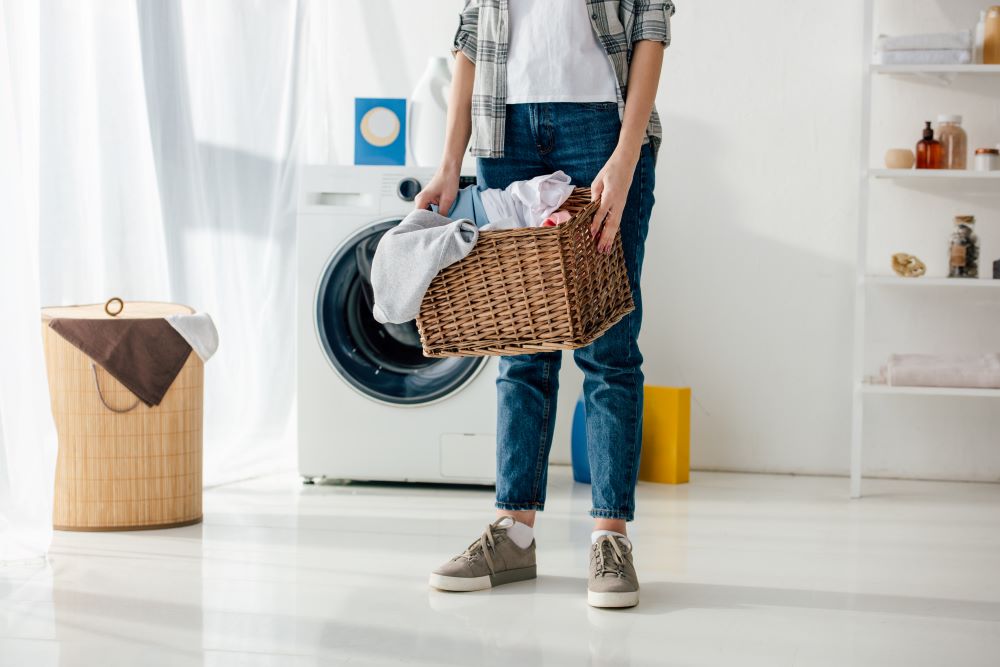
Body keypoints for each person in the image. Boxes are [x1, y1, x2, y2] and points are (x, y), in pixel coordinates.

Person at [416, 0, 674, 609]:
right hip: (505, 135)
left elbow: (650, 26)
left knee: (609, 344)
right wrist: (450, 164)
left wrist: (626, 153)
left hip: (601, 128)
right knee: (520, 345)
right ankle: (514, 533)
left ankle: (610, 536)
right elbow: (471, 36)